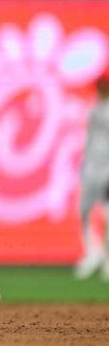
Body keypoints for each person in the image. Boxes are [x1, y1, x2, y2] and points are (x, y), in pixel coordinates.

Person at [73, 69, 109, 281]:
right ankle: (92, 252)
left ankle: (106, 259)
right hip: (91, 168)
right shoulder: (94, 108)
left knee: (106, 215)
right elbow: (89, 141)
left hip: (107, 168)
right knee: (84, 211)